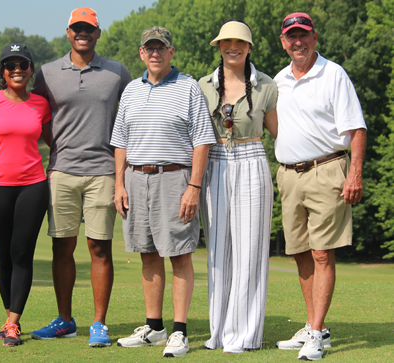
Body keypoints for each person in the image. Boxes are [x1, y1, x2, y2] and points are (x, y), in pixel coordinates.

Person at [0, 7, 132, 346]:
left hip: (103, 171)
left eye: (89, 29)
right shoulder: (47, 73)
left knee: (99, 248)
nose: (83, 33)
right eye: (77, 28)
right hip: (61, 171)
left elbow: (129, 120)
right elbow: (28, 111)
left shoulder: (117, 72)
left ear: (98, 33)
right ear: (68, 33)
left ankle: (98, 324)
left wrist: (125, 170)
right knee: (62, 247)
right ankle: (65, 320)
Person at [110, 26, 216, 357]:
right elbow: (120, 142)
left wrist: (194, 187)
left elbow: (202, 140)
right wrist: (118, 183)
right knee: (147, 253)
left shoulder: (188, 88)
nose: (155, 53)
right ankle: (155, 328)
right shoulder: (130, 90)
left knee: (180, 254)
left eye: (161, 48)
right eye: (149, 48)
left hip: (175, 179)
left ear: (171, 52)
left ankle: (180, 332)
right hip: (135, 178)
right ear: (141, 53)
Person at [274, 12, 367, 361]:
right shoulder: (279, 79)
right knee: (300, 252)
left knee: (322, 253)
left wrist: (354, 172)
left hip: (327, 170)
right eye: (291, 36)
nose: (297, 42)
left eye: (303, 35)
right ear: (283, 42)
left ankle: (315, 332)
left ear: (315, 38)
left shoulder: (333, 74)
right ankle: (317, 327)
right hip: (288, 174)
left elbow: (357, 128)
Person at [197, 20, 278, 353]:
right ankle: (218, 332)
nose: (233, 47)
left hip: (252, 158)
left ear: (249, 48)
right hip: (213, 160)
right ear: (219, 46)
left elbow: (279, 134)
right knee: (218, 251)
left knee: (250, 251)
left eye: (240, 42)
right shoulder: (202, 85)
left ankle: (243, 336)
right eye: (227, 42)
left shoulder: (266, 86)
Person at [0, 44, 51, 347]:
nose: (17, 70)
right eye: (10, 65)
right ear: (2, 72)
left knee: (21, 254)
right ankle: (9, 319)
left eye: (23, 64)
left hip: (33, 186)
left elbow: (55, 141)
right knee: (2, 256)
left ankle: (13, 324)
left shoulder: (41, 104)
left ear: (31, 69)